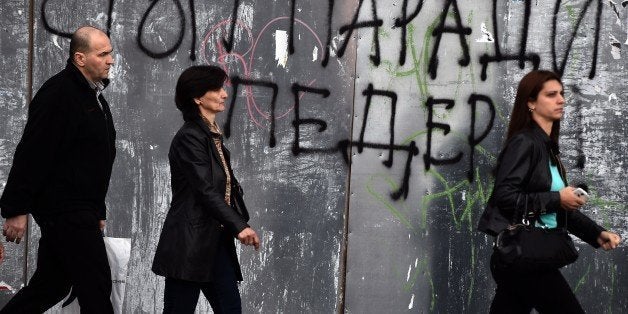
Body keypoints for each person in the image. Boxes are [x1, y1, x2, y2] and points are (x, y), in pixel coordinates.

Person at [478, 70, 621, 313]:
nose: (561, 100)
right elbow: (504, 197)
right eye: (551, 95)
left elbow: (556, 208)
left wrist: (597, 234)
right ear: (531, 103)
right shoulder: (525, 142)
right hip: (524, 258)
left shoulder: (547, 149)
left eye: (562, 94)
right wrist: (557, 198)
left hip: (525, 258)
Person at [0, 26, 115, 313]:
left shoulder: (93, 96)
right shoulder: (60, 94)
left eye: (110, 53)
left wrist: (97, 209)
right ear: (80, 58)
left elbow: (95, 161)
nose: (110, 60)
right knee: (97, 287)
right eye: (102, 54)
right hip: (64, 209)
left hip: (80, 209)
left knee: (52, 285)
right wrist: (16, 209)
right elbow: (32, 153)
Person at [152, 65, 260, 314]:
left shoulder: (211, 137)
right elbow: (205, 189)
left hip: (215, 240)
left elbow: (225, 189)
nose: (224, 94)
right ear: (198, 97)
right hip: (190, 242)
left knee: (230, 309)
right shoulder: (191, 137)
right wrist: (239, 225)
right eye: (217, 89)